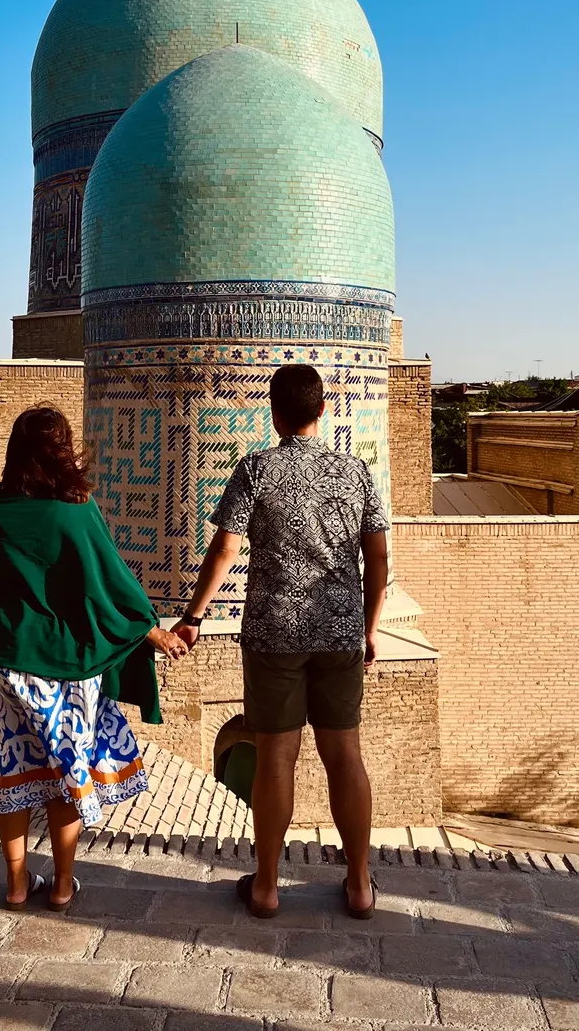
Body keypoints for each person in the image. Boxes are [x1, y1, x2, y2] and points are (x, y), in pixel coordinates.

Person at [173, 365, 390, 921]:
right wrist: (369, 627)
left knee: (275, 757)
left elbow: (225, 548)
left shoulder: (256, 468)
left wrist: (194, 616)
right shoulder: (355, 472)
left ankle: (267, 887)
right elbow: (378, 558)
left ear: (274, 413)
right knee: (345, 756)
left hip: (275, 634)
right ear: (323, 410)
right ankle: (359, 884)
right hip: (339, 632)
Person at [0, 405, 187, 913]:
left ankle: (16, 884)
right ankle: (63, 885)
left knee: (14, 763)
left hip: (6, 655)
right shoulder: (76, 508)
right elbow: (107, 579)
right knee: (67, 771)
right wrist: (150, 630)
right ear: (63, 451)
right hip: (65, 662)